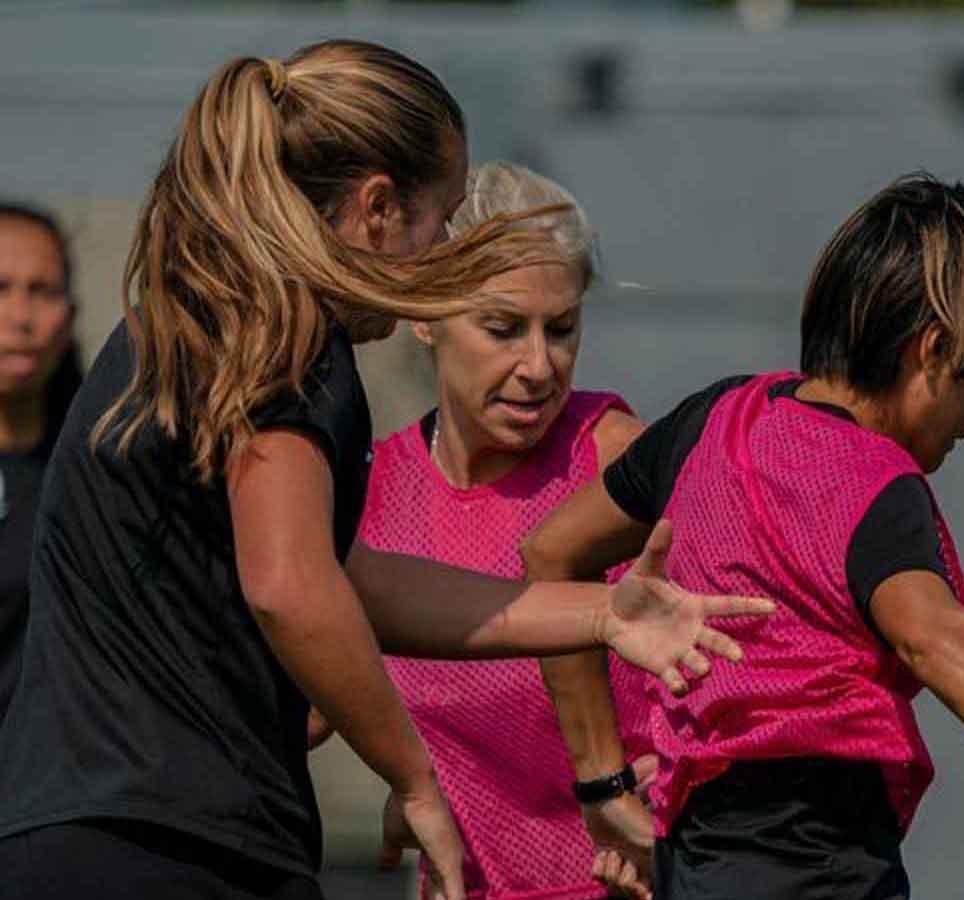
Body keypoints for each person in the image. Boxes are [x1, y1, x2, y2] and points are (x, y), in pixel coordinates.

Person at [0, 41, 766, 900]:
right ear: (375, 208)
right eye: (440, 226)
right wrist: (414, 776)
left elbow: (347, 582)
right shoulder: (286, 332)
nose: (442, 255)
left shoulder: (193, 311)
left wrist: (602, 614)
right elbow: (289, 587)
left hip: (72, 830)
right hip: (176, 844)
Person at [523, 174, 964, 900]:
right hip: (817, 861)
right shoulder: (877, 480)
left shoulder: (713, 421)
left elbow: (551, 551)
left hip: (701, 857)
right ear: (935, 351)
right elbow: (934, 636)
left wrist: (602, 781)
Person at [353, 161, 654, 899]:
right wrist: (406, 777)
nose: (538, 365)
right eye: (502, 328)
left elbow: (749, 659)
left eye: (561, 328)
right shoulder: (372, 493)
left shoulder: (619, 462)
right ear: (424, 314)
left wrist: (675, 788)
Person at [0, 202, 83, 720]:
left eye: (43, 290)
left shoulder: (100, 469)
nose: (22, 317)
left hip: (56, 790)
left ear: (70, 313)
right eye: (0, 288)